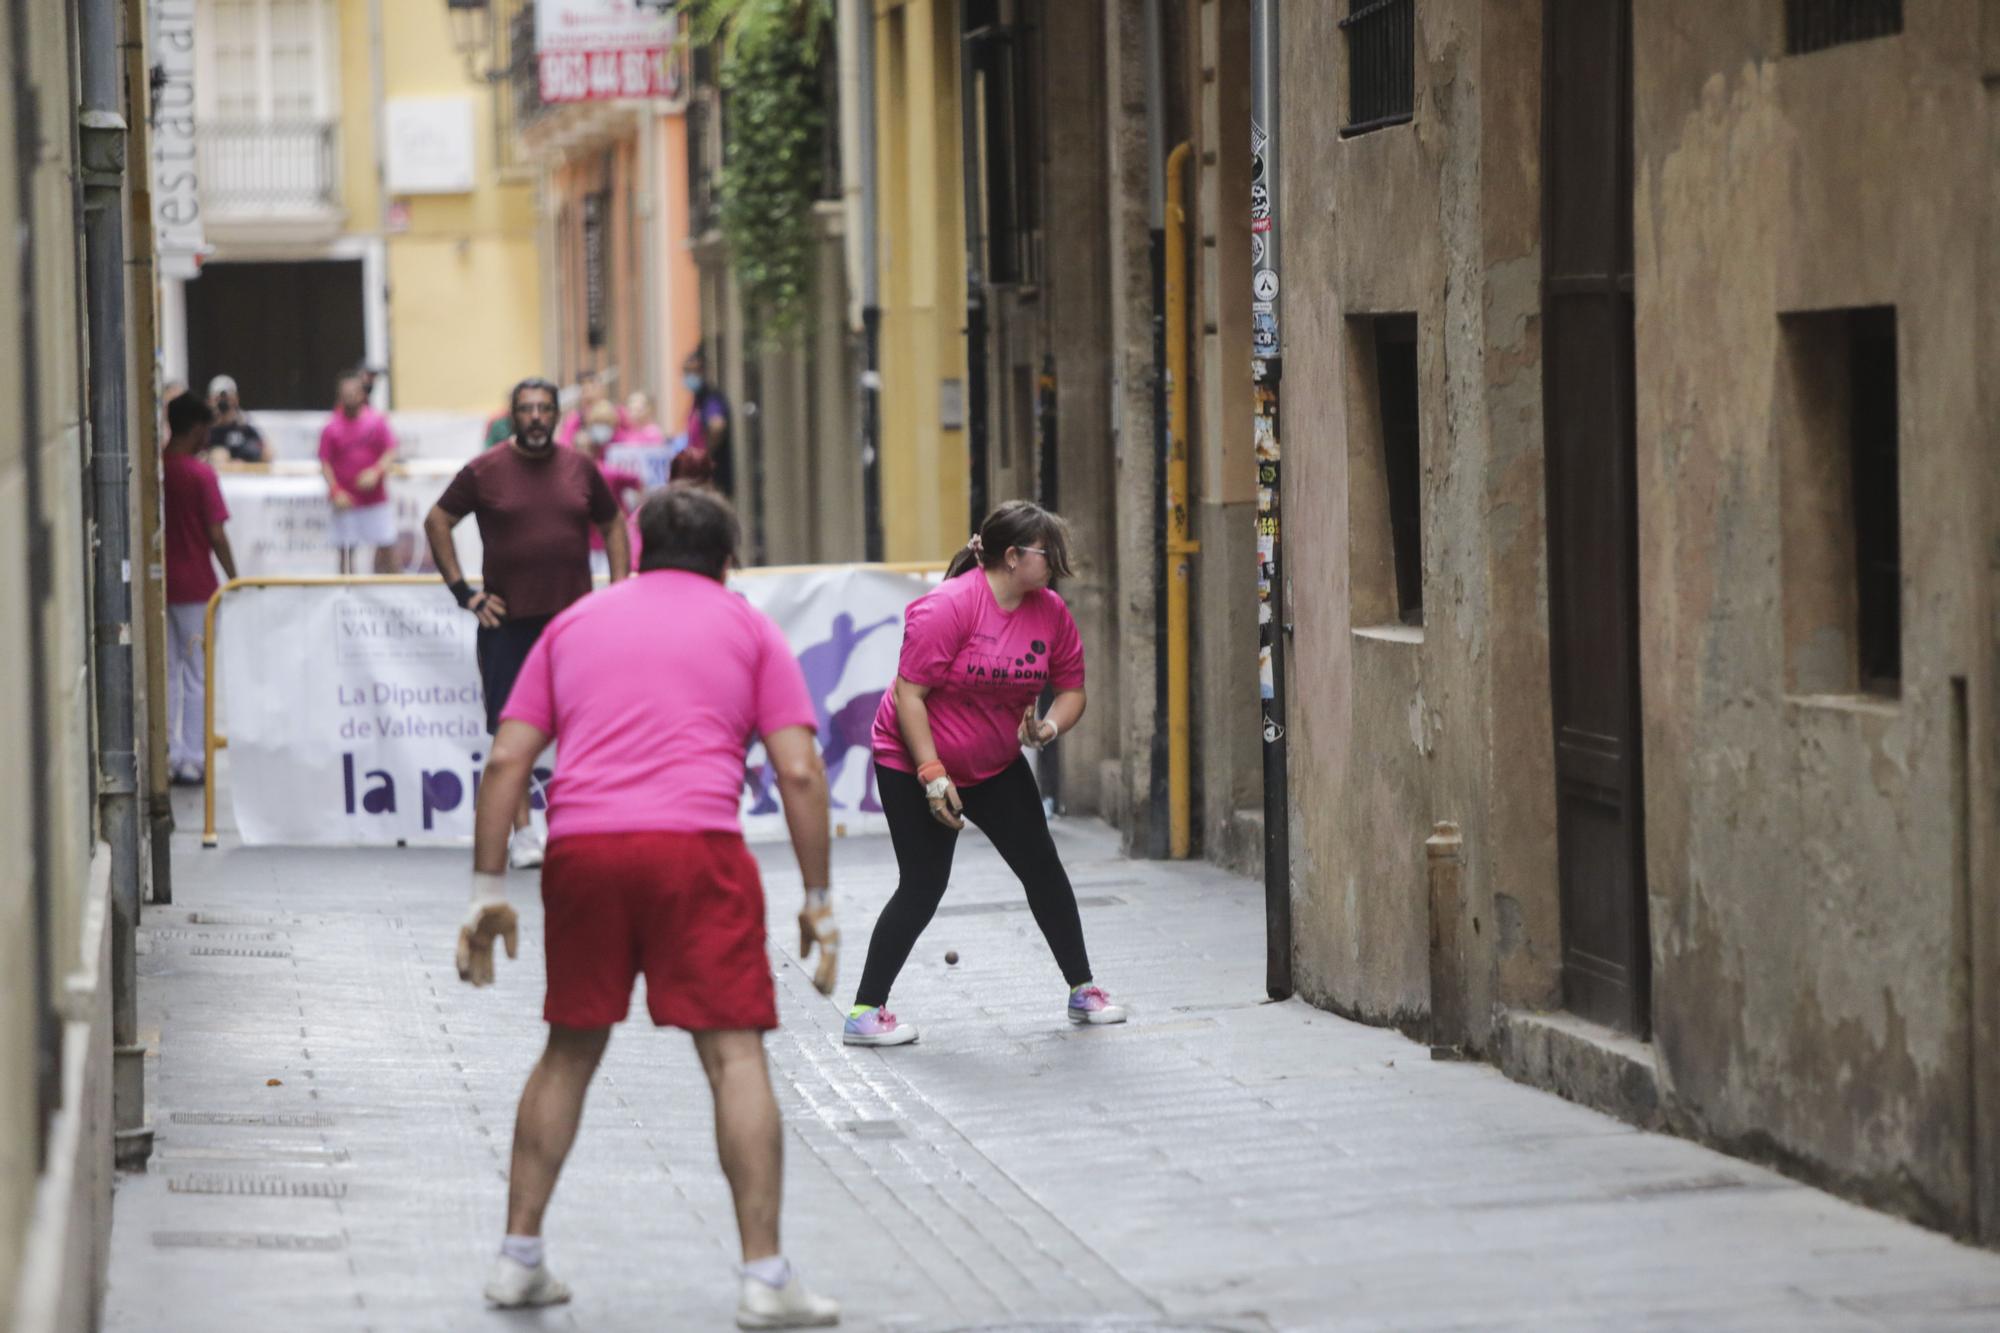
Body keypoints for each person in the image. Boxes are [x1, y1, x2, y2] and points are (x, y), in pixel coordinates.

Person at [453, 484, 841, 1327]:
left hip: (584, 850)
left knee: (568, 1049)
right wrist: (818, 897)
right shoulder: (746, 625)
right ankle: (765, 1277)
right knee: (735, 1057)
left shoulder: (576, 623)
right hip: (696, 852)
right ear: (727, 559)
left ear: (632, 547)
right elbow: (802, 773)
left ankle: (518, 1258)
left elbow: (506, 761)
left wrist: (487, 890)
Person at [843, 500, 1125, 1047]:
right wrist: (931, 774)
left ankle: (1083, 990)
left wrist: (1046, 729)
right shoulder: (949, 607)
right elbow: (909, 695)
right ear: (1013, 556)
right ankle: (864, 1010)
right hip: (912, 761)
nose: (1059, 561)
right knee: (924, 884)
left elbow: (1072, 690)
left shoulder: (1049, 612)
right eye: (1049, 551)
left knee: (1042, 867)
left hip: (994, 764)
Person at [423, 377, 629, 870]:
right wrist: (463, 593)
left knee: (582, 727)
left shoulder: (581, 468)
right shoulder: (484, 470)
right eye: (526, 409)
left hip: (573, 625)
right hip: (507, 624)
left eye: (544, 408)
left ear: (558, 415)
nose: (536, 416)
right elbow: (437, 521)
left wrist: (620, 595)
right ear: (512, 416)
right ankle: (524, 834)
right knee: (511, 733)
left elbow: (614, 524)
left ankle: (574, 824)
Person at [161, 394, 237, 785]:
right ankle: (192, 756)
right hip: (196, 588)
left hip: (162, 586)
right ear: (195, 429)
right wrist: (234, 576)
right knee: (197, 675)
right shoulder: (200, 475)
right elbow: (216, 533)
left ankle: (170, 753)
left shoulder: (156, 469)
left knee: (169, 673)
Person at [318, 370, 398, 574]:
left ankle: (389, 592)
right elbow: (325, 462)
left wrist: (376, 471)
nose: (349, 397)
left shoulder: (377, 422)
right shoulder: (331, 427)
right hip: (346, 501)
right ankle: (346, 596)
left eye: (353, 392)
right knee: (345, 552)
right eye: (345, 393)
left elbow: (391, 450)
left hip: (375, 499)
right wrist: (335, 490)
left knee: (386, 547)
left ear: (362, 395)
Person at [577, 399, 646, 579]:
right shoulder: (590, 469)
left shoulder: (612, 466)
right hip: (589, 542)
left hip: (609, 539)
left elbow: (639, 482)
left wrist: (634, 511)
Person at [680, 348, 733, 499]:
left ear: (703, 372)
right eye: (686, 372)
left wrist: (705, 453)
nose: (689, 376)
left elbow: (717, 425)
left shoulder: (711, 398)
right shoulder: (697, 400)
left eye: (694, 371)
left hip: (712, 479)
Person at [206, 374, 269, 463]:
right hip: (219, 468)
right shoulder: (206, 429)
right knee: (219, 455)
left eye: (227, 398)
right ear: (210, 400)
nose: (223, 402)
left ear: (235, 399)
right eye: (218, 398)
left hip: (244, 467)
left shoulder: (244, 426)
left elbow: (264, 450)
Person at [555, 369, 622, 449]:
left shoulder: (616, 412)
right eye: (583, 384)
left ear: (600, 386)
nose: (587, 387)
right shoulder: (575, 418)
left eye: (591, 383)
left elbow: (631, 438)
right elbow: (564, 444)